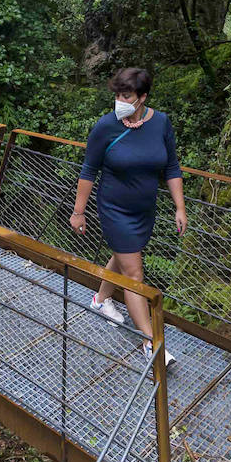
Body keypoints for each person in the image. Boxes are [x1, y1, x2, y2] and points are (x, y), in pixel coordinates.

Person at [70, 67, 186, 368]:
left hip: (144, 210)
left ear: (143, 97)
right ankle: (151, 342)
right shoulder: (106, 126)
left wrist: (180, 207)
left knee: (125, 257)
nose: (119, 100)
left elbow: (171, 167)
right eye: (117, 95)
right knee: (134, 274)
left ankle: (99, 299)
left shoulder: (160, 123)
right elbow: (88, 170)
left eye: (127, 96)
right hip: (114, 209)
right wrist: (78, 211)